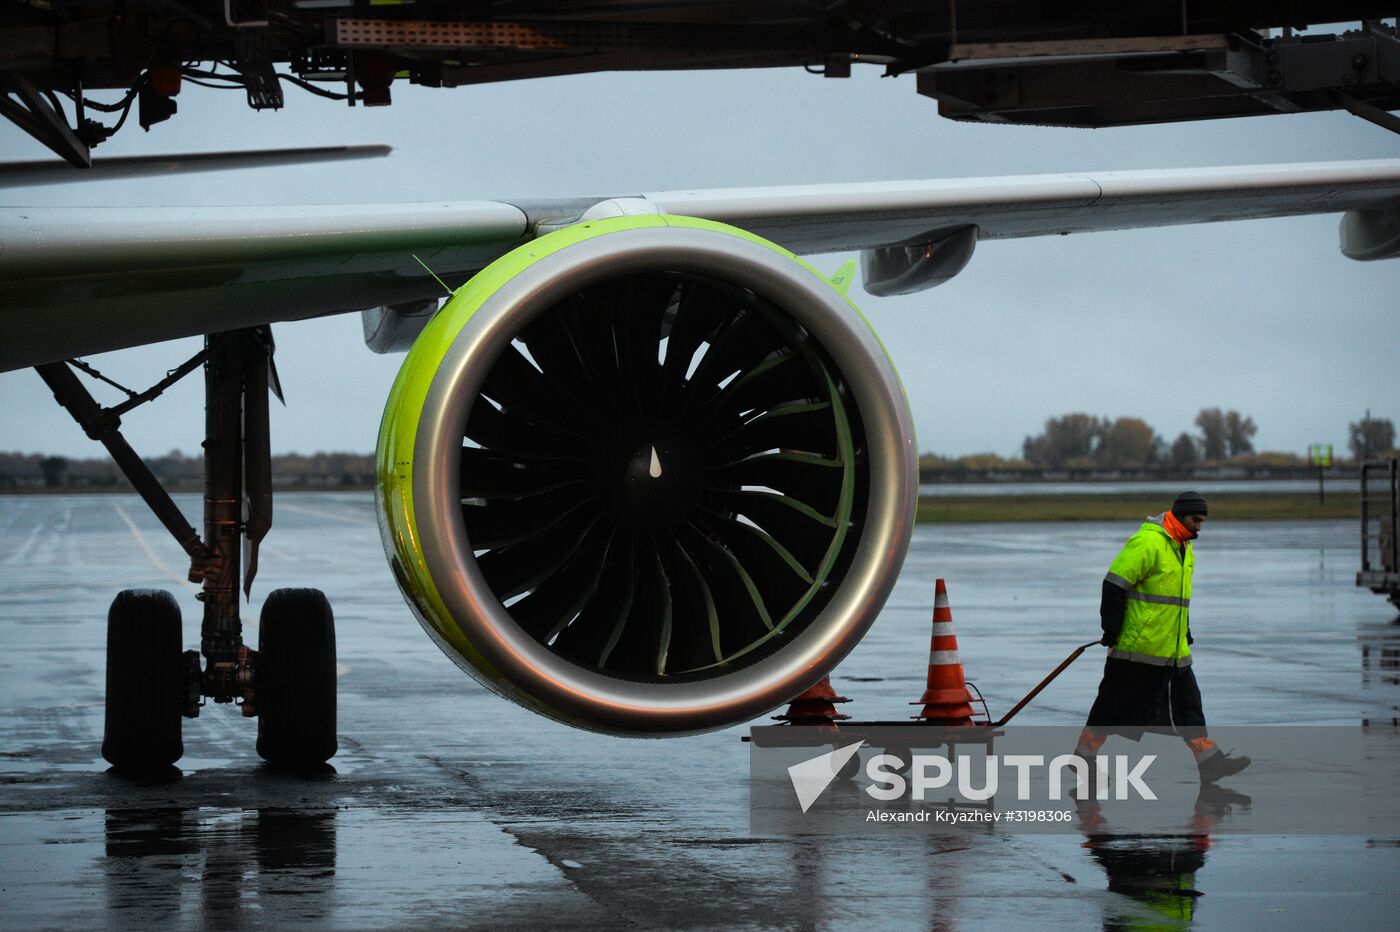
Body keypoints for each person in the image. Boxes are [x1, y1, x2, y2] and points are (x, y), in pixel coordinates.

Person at [1076, 492, 1250, 783]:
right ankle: (1084, 757)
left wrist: (1185, 629)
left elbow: (1177, 599)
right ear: (1180, 515)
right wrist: (1112, 629)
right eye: (1196, 520)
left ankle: (1210, 762)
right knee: (1112, 706)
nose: (1199, 527)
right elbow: (1114, 584)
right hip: (1137, 648)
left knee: (1188, 706)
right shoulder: (1149, 542)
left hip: (1173, 649)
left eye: (1202, 522)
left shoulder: (1183, 547)